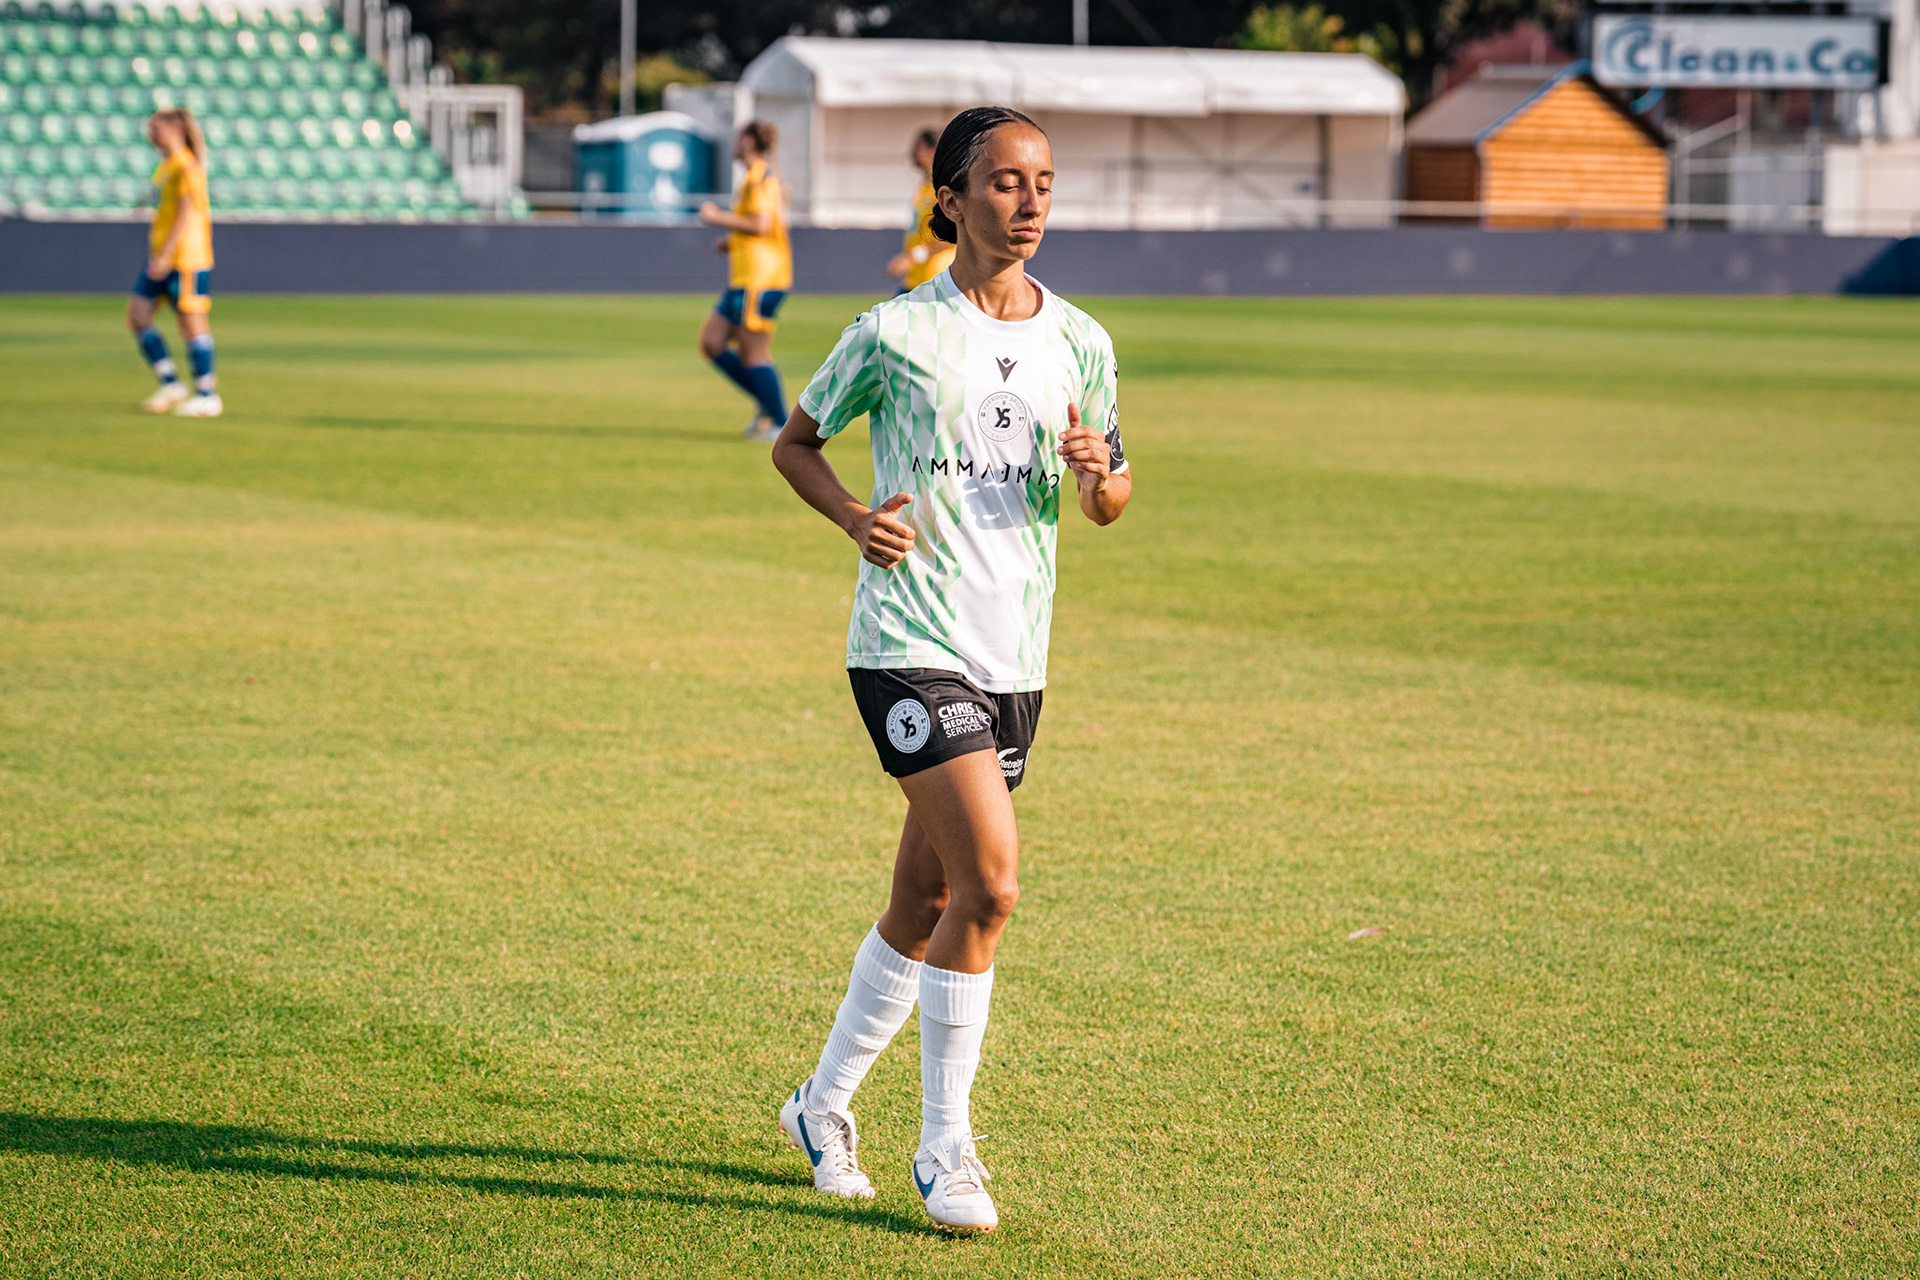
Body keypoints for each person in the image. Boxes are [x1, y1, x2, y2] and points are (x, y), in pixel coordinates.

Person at [769, 106, 1132, 1233]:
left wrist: (1095, 474)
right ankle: (947, 1148)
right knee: (993, 884)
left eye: (1045, 184)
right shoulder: (895, 331)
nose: (1030, 203)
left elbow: (1114, 492)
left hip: (1014, 653)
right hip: (907, 645)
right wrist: (851, 519)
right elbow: (797, 439)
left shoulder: (1083, 340)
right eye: (1007, 183)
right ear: (952, 198)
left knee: (924, 899)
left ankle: (820, 1106)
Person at [697, 122, 791, 442]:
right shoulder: (753, 178)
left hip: (761, 279)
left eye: (737, 137)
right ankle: (768, 404)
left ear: (748, 140)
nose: (733, 143)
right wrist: (732, 240)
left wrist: (716, 216)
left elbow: (761, 224)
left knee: (754, 355)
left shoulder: (761, 177)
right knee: (711, 342)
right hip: (745, 278)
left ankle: (781, 423)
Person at [128, 107, 221, 417]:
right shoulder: (166, 166)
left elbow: (186, 212)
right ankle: (171, 383)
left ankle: (207, 395)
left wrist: (167, 253)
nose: (151, 135)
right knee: (138, 316)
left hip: (186, 258)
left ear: (175, 129)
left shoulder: (187, 167)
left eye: (156, 129)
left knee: (191, 324)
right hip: (162, 255)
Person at [885, 127, 955, 295]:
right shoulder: (924, 187)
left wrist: (913, 257)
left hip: (935, 277)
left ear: (933, 151)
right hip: (916, 277)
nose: (913, 152)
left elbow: (953, 236)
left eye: (918, 147)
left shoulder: (941, 190)